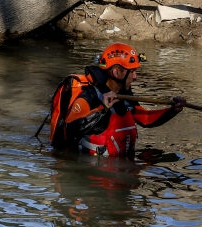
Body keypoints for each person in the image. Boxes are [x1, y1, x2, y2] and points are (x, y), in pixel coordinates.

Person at [46, 43, 186, 158]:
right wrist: (102, 109)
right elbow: (71, 129)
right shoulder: (89, 96)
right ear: (117, 72)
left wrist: (173, 110)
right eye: (132, 71)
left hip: (118, 169)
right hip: (91, 173)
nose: (136, 76)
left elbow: (146, 119)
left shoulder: (125, 96)